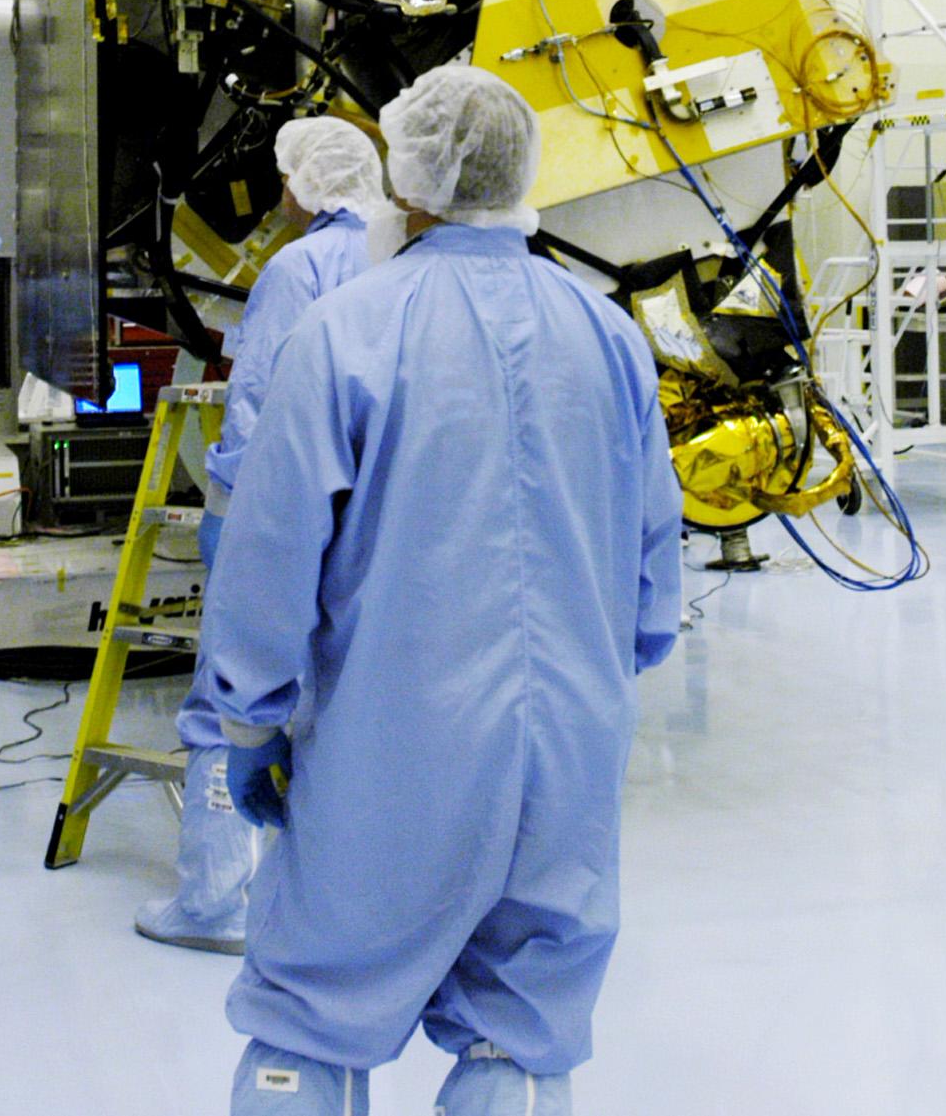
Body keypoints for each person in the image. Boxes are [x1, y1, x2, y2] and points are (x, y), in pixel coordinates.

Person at [200, 65, 683, 1116]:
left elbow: (271, 553)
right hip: (567, 754)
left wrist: (248, 722)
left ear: (408, 181)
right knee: (520, 1031)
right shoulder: (609, 336)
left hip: (389, 757)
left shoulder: (348, 330)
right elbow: (654, 574)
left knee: (311, 1015)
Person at [143, 115, 389, 957]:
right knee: (340, 701)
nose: (279, 190)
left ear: (309, 183)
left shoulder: (297, 267)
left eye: (286, 175)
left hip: (279, 512)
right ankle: (328, 893)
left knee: (232, 695)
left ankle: (215, 901)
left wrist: (227, 505)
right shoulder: (397, 260)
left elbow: (258, 398)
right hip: (368, 519)